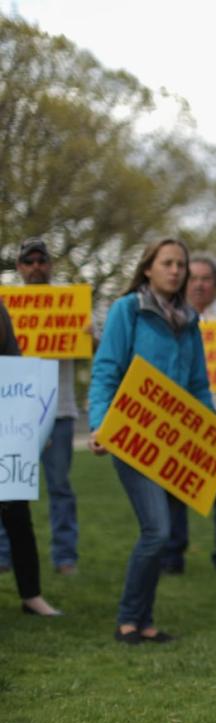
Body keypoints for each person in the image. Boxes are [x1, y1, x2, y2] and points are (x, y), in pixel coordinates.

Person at [88, 237, 213, 644]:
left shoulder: (190, 321)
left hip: (173, 444)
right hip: (132, 436)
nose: (176, 271)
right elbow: (107, 369)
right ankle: (128, 618)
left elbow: (198, 386)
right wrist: (100, 423)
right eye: (167, 263)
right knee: (157, 530)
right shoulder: (128, 311)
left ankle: (144, 621)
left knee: (160, 533)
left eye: (181, 264)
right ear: (147, 268)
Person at [162, 253, 216, 578]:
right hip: (180, 423)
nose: (198, 284)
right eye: (193, 277)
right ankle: (173, 556)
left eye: (205, 278)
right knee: (174, 495)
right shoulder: (169, 318)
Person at [0, 237, 83, 576]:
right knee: (8, 486)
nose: (36, 267)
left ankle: (65, 557)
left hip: (58, 410)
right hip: (14, 411)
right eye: (29, 262)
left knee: (59, 486)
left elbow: (99, 354)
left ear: (50, 265)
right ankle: (4, 554)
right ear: (19, 267)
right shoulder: (6, 304)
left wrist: (89, 337)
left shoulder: (70, 305)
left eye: (41, 261)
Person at [0, 299, 63, 617]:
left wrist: (36, 426)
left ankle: (31, 595)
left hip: (6, 437)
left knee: (17, 516)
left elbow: (18, 372)